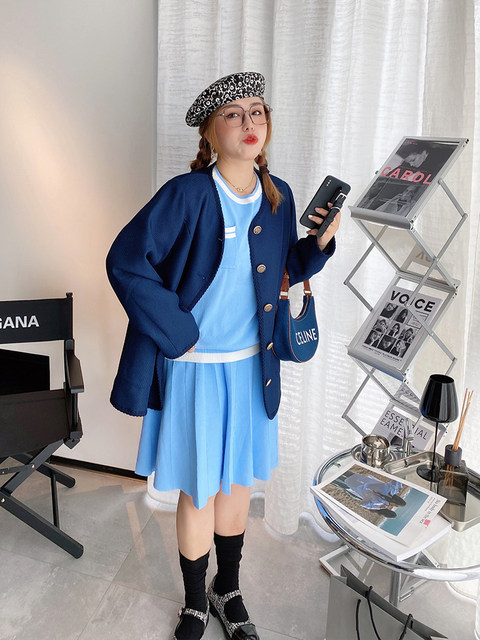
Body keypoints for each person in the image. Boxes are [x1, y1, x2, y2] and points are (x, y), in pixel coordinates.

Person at [106, 72, 339, 640]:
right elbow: (125, 260)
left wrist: (318, 245)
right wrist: (176, 330)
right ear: (210, 133)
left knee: (236, 487)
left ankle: (227, 590)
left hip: (252, 369)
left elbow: (280, 270)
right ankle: (194, 603)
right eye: (233, 114)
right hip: (195, 372)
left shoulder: (278, 195)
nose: (249, 122)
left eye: (257, 111)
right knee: (198, 490)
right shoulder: (185, 195)